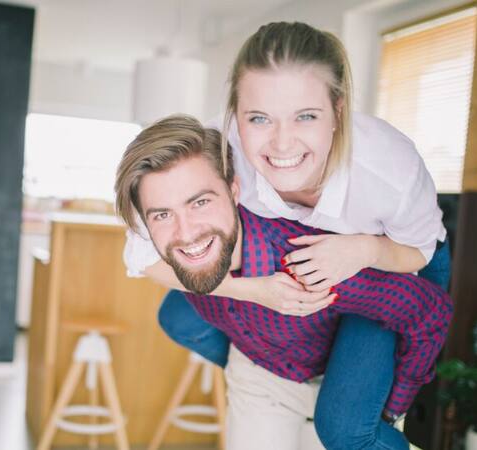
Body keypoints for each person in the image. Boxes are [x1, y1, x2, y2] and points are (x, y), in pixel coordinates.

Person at [122, 21, 451, 449]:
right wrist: (252, 290)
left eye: (306, 116)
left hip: (401, 253)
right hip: (283, 270)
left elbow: (419, 264)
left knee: (345, 429)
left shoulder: (387, 168)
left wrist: (365, 249)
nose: (281, 144)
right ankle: (289, 377)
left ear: (337, 109)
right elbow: (145, 256)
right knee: (180, 312)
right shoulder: (220, 153)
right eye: (258, 117)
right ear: (235, 117)